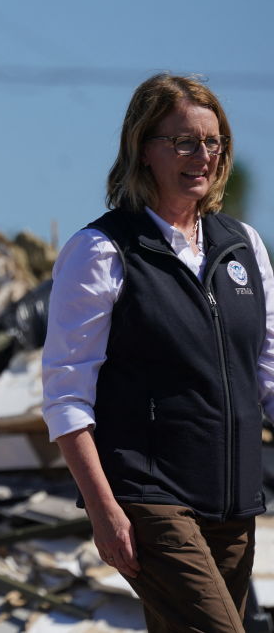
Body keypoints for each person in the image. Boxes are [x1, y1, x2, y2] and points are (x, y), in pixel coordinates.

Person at [42, 74, 274, 632]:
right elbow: (66, 396)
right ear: (144, 150)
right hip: (150, 498)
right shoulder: (100, 251)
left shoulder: (243, 245)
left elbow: (267, 373)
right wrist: (103, 509)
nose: (203, 156)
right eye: (184, 142)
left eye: (212, 142)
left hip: (234, 504)